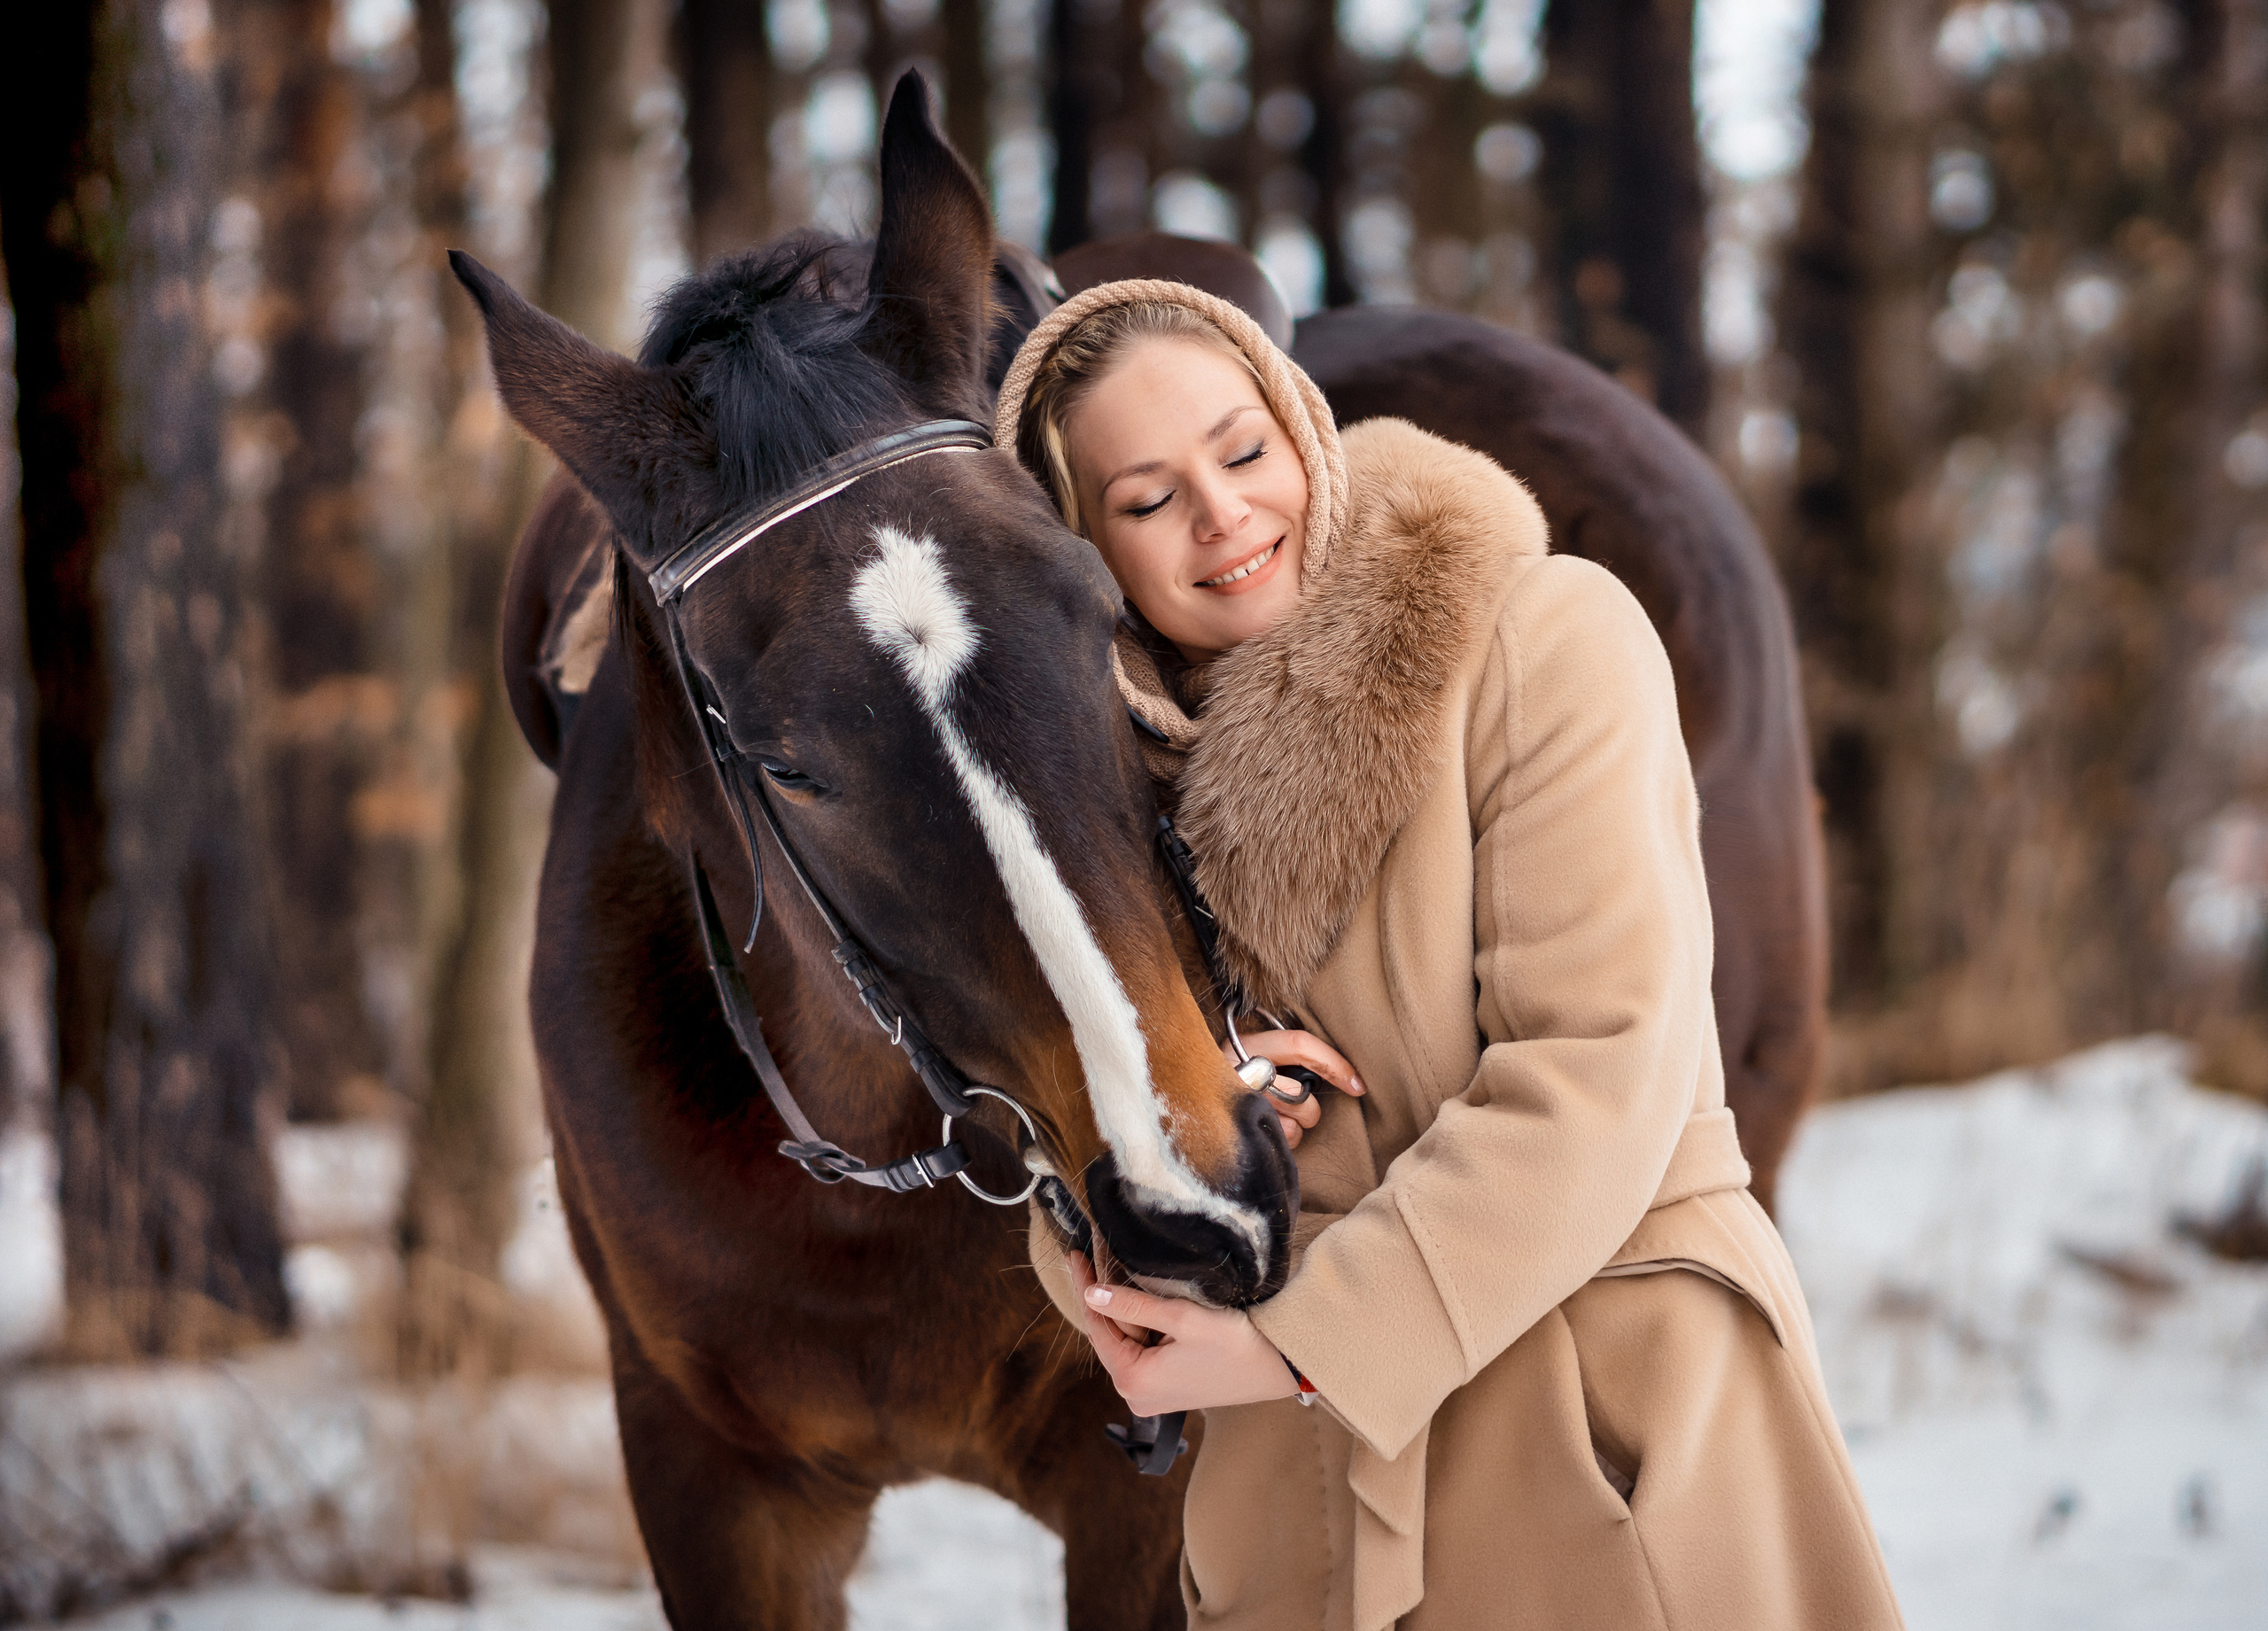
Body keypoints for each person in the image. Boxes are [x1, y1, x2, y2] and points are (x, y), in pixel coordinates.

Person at [990, 281, 1906, 1631]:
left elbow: (1600, 1067)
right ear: (1089, 547)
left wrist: (1294, 1346)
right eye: (1146, 497)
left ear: (1305, 430)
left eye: (1243, 451)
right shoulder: (1104, 800)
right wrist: (1170, 1158)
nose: (1223, 513)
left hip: (1593, 1425)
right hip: (1301, 1505)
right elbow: (1064, 1136)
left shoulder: (1547, 636)